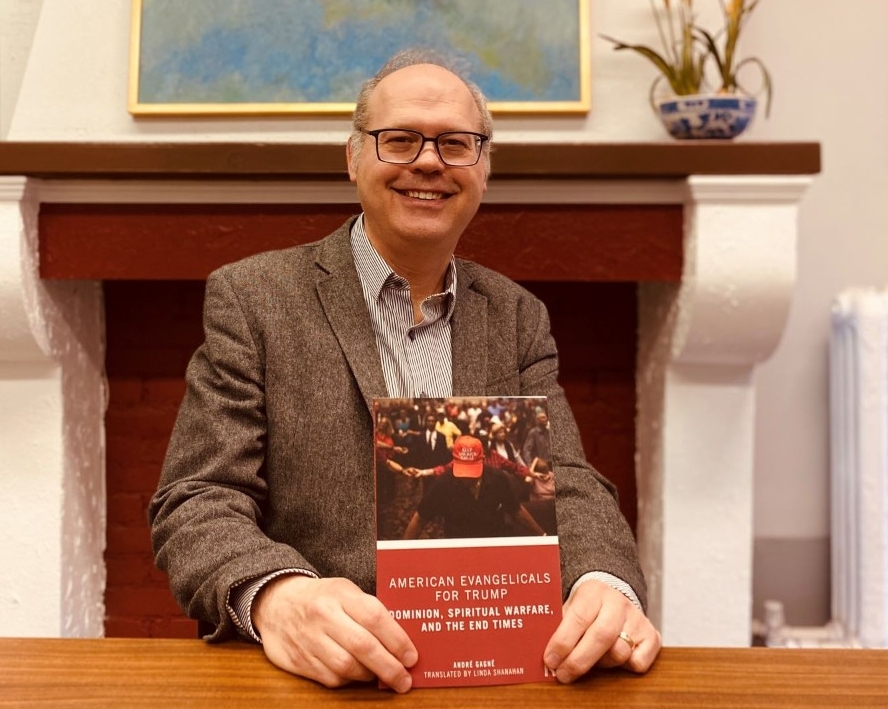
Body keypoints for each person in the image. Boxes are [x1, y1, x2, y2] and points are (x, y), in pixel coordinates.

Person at [149, 48, 661, 695]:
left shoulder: (516, 316)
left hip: (497, 673)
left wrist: (603, 583)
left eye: (455, 143)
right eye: (400, 140)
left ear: (484, 166)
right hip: (318, 679)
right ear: (354, 156)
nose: (428, 161)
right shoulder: (256, 298)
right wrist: (277, 596)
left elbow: (567, 483)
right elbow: (198, 497)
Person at [402, 435, 545, 539]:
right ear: (454, 463)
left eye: (472, 471)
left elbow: (516, 510)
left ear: (482, 460)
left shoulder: (498, 478)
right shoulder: (443, 483)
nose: (467, 478)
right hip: (459, 546)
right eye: (463, 471)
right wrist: (402, 553)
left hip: (492, 542)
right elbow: (419, 519)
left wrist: (543, 536)